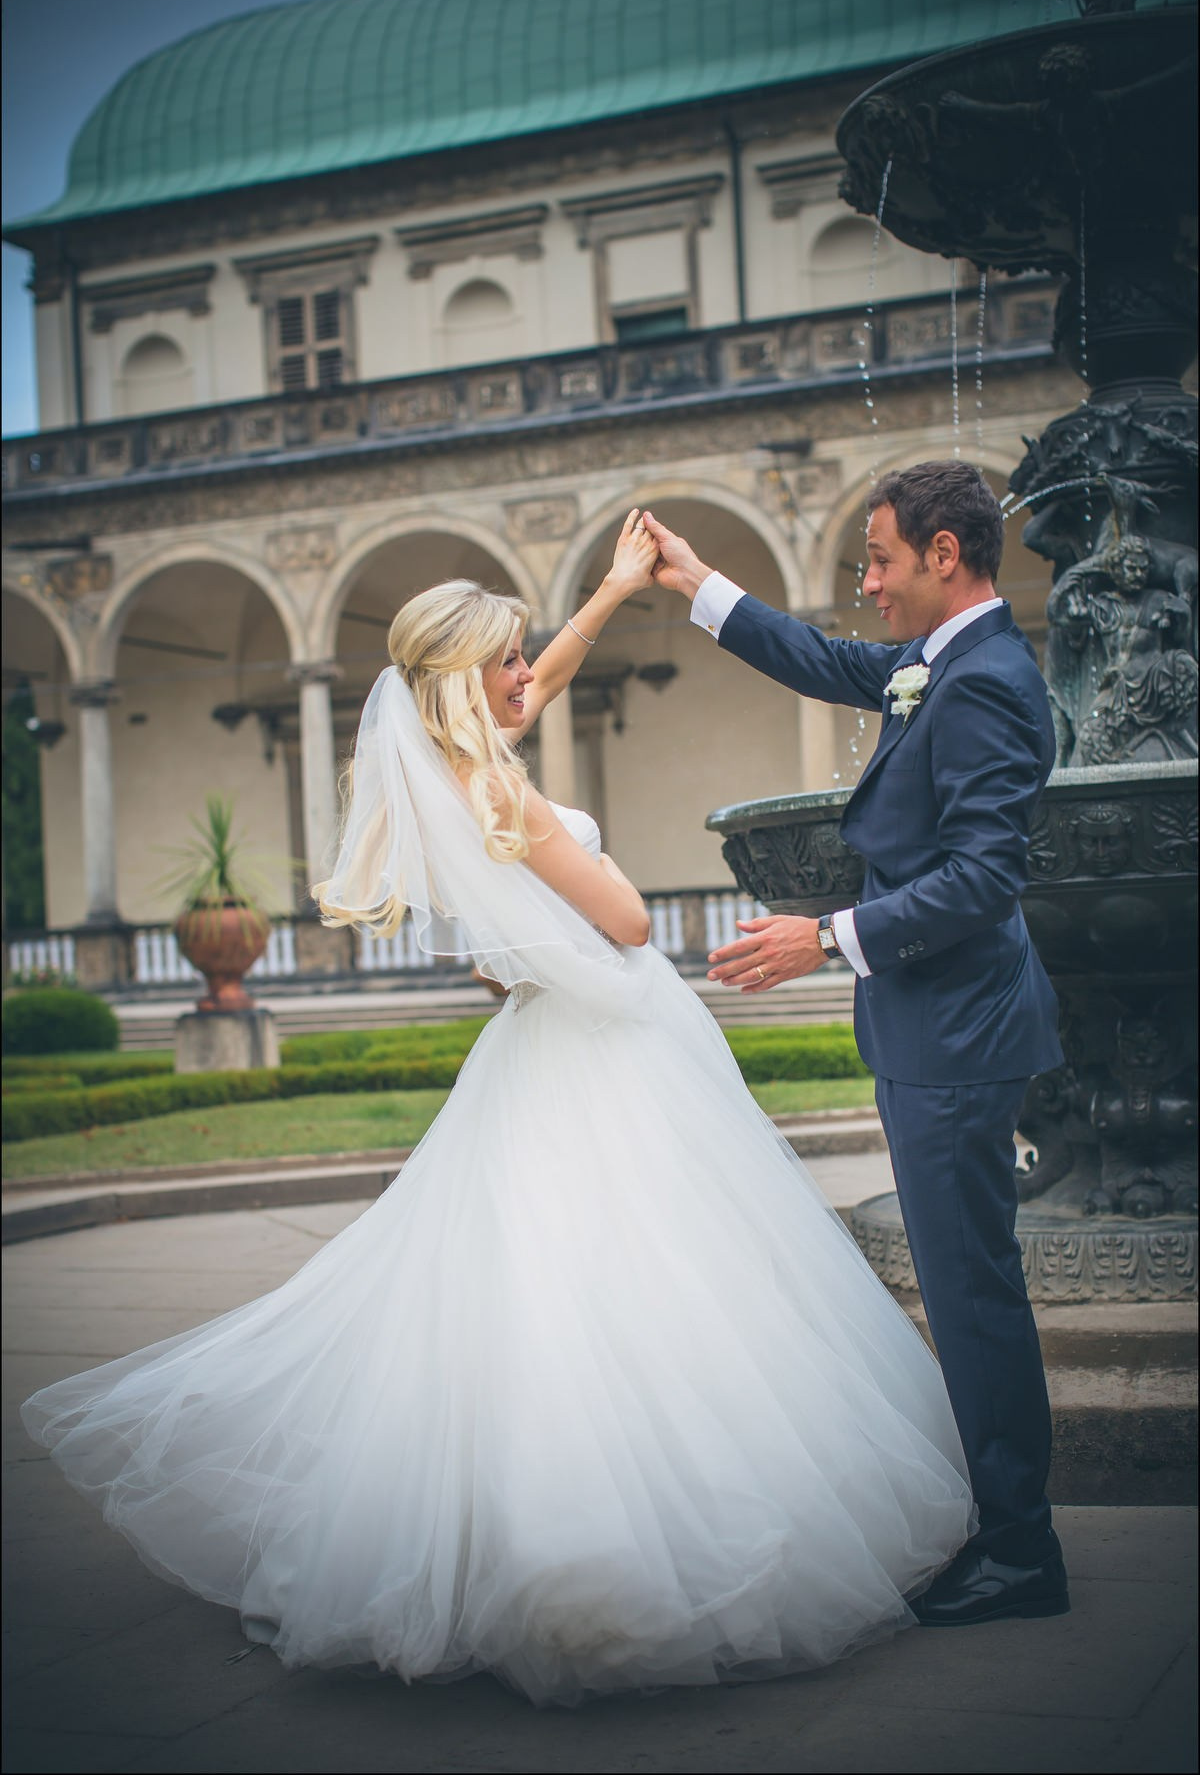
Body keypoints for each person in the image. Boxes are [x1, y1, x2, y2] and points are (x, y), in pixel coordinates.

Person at [23, 512, 975, 1708]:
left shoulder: (446, 763)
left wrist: (619, 588)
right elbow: (627, 923)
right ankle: (606, 1550)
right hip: (600, 1049)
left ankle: (545, 1539)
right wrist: (591, 882)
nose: (532, 675)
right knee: (632, 1279)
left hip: (539, 1049)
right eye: (510, 662)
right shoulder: (501, 799)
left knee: (539, 1282)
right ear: (469, 685)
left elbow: (541, 689)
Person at [643, 461, 1070, 1628]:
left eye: (880, 558)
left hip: (960, 1030)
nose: (867, 583)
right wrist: (698, 583)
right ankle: (1008, 1529)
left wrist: (824, 935)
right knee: (964, 1281)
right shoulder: (945, 660)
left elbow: (984, 878)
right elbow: (828, 663)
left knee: (972, 1290)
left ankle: (1023, 1548)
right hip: (935, 1023)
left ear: (946, 554)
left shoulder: (983, 683)